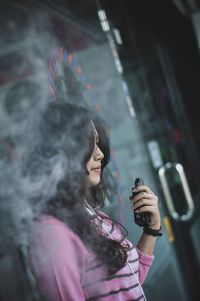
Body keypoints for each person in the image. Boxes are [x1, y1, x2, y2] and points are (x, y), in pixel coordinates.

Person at [27, 102, 161, 301]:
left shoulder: (91, 214)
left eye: (98, 143)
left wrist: (151, 229)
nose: (99, 154)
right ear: (62, 152)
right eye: (89, 144)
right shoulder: (51, 235)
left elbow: (127, 286)